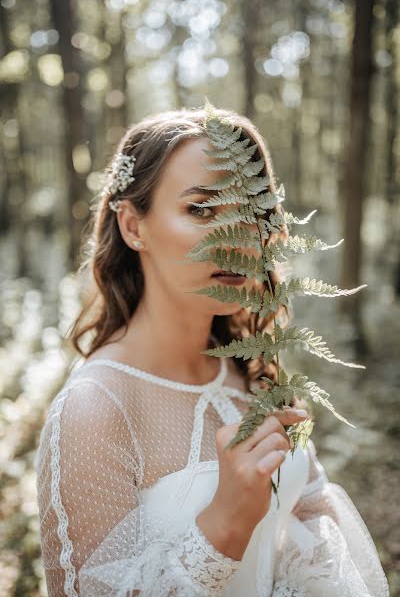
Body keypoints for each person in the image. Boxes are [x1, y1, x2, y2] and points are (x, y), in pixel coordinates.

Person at [35, 106, 389, 596]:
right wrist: (225, 523)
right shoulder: (94, 410)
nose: (238, 238)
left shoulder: (253, 374)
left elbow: (313, 532)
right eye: (201, 209)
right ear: (133, 226)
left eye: (253, 212)